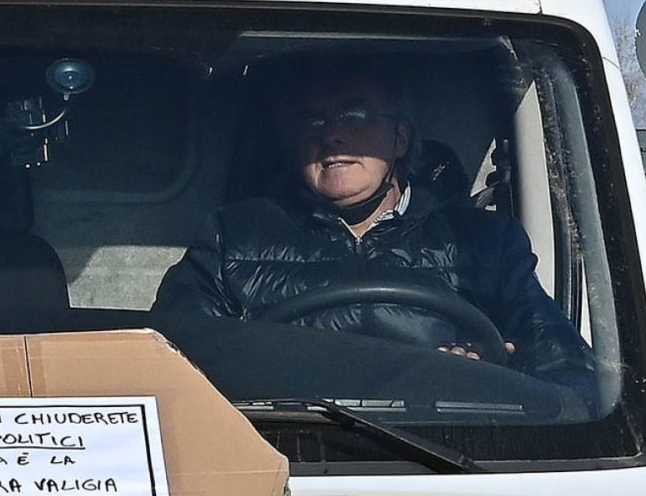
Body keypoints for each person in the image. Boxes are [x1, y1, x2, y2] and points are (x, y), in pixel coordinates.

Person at [155, 70, 594, 397]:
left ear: (400, 138)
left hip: (447, 463)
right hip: (285, 454)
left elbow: (567, 373)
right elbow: (171, 368)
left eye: (354, 115)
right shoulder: (233, 237)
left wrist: (480, 380)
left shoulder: (483, 242)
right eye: (312, 122)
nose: (332, 136)